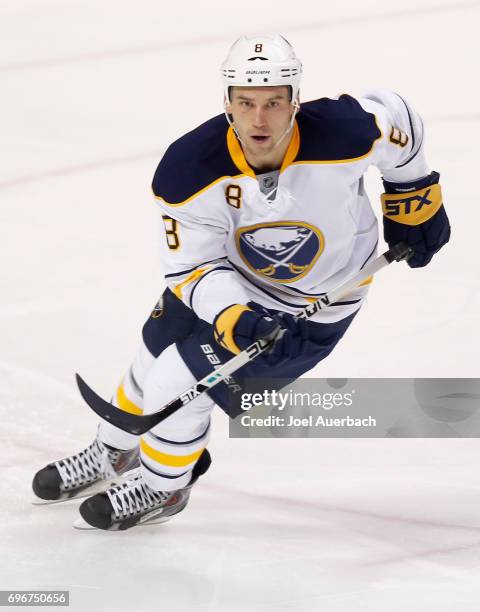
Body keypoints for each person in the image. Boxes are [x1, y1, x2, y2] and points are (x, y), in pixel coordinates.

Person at [32, 34, 450, 530]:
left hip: (311, 305)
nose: (259, 119)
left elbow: (396, 113)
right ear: (226, 103)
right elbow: (191, 268)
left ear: (296, 100)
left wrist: (415, 194)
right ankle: (115, 452)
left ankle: (164, 489)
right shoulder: (190, 169)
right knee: (148, 361)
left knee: (174, 380)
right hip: (225, 280)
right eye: (246, 102)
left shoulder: (344, 133)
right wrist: (232, 313)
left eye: (274, 102)